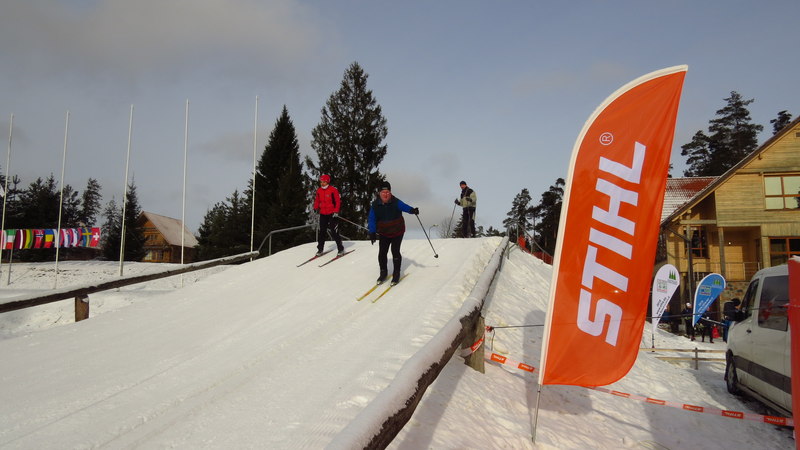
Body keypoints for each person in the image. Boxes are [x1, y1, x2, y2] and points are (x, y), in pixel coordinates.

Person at [368, 181, 419, 285]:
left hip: (397, 231)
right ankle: (383, 272)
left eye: (387, 192)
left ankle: (396, 273)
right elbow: (371, 219)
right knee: (382, 252)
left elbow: (404, 207)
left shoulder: (396, 202)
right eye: (383, 192)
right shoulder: (375, 205)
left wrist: (412, 210)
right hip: (384, 232)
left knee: (395, 251)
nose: (385, 194)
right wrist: (372, 232)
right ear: (379, 193)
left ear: (390, 192)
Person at [313, 174, 345, 256]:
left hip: (332, 214)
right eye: (321, 182)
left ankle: (340, 249)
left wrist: (336, 211)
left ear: (327, 182)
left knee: (334, 232)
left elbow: (337, 201)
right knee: (322, 232)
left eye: (324, 182)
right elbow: (317, 200)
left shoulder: (333, 190)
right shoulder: (319, 191)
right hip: (323, 213)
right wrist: (315, 207)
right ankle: (320, 249)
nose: (322, 183)